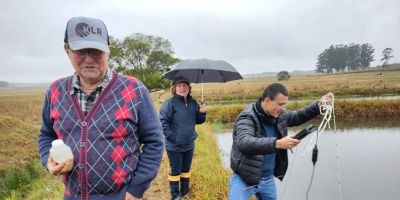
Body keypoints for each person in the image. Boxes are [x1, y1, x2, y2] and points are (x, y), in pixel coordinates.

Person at [37, 16, 164, 200]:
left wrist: (135, 190)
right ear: (67, 50)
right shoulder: (56, 91)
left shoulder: (133, 90)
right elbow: (46, 135)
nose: (89, 59)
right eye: (80, 51)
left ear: (108, 51)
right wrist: (47, 159)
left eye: (96, 51)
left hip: (120, 196)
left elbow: (155, 142)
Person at [228, 83, 333, 200]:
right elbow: (244, 143)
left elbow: (298, 116)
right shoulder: (247, 117)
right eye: (280, 104)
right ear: (267, 100)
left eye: (285, 105)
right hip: (245, 178)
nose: (283, 108)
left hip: (268, 179)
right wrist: (277, 143)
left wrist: (319, 105)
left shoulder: (280, 114)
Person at [159, 76, 207, 200]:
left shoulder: (193, 102)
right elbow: (163, 122)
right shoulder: (169, 103)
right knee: (175, 170)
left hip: (189, 144)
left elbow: (198, 121)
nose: (182, 88)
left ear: (188, 88)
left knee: (186, 170)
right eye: (179, 86)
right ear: (174, 89)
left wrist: (202, 113)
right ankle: (175, 195)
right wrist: (173, 137)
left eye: (185, 86)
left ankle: (185, 193)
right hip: (174, 145)